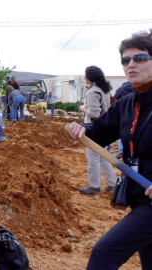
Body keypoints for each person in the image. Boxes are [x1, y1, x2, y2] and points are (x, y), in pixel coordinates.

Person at [68, 29, 152, 269]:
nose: (131, 65)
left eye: (140, 58)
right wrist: (81, 130)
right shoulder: (128, 103)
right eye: (125, 60)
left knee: (103, 255)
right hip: (140, 196)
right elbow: (99, 131)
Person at [77, 66, 117, 195]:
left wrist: (83, 108)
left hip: (94, 128)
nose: (84, 77)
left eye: (85, 75)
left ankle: (94, 185)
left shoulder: (93, 91)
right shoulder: (104, 90)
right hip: (104, 127)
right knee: (102, 156)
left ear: (90, 77)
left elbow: (94, 113)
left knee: (93, 157)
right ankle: (113, 183)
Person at [112, 82, 135, 158]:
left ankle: (122, 151)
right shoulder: (136, 89)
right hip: (135, 114)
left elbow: (114, 100)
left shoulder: (120, 90)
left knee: (121, 132)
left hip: (123, 114)